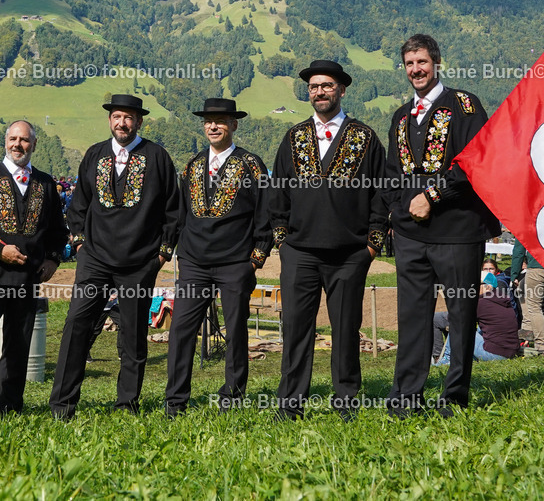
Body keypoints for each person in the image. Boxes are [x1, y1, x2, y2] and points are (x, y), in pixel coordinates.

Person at [384, 33, 500, 418]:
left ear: (436, 63)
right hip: (410, 235)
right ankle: (406, 398)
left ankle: (454, 398)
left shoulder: (465, 106)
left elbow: (474, 162)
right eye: (409, 64)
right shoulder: (401, 116)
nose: (416, 70)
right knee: (412, 317)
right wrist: (397, 211)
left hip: (458, 231)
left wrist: (431, 196)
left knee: (461, 315)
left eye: (422, 62)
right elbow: (392, 172)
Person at [269, 60, 388, 421]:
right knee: (296, 331)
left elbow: (381, 194)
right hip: (299, 253)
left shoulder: (365, 137)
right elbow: (278, 193)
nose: (319, 91)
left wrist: (372, 245)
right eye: (314, 86)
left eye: (327, 85)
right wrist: (282, 241)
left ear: (342, 90)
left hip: (350, 254)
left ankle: (346, 403)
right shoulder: (294, 137)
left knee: (346, 331)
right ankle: (290, 405)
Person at [50, 94, 181, 419]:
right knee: (76, 326)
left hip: (139, 263)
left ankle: (127, 406)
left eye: (128, 117)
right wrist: (80, 246)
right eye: (117, 117)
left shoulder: (157, 157)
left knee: (133, 335)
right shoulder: (94, 154)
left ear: (139, 121)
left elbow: (173, 210)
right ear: (110, 120)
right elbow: (78, 206)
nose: (122, 123)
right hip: (94, 259)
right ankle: (62, 406)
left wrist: (161, 256)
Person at [165, 98, 272, 418]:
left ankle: (233, 397)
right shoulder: (192, 165)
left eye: (220, 121)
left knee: (235, 331)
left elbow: (264, 213)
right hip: (194, 263)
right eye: (209, 121)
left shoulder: (252, 165)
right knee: (181, 330)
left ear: (233, 125)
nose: (213, 126)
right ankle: (175, 401)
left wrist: (255, 259)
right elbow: (181, 214)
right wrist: (180, 253)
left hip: (235, 263)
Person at [0, 120, 68, 418]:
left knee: (18, 346)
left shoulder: (46, 184)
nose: (18, 144)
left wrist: (53, 259)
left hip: (26, 279)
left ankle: (10, 409)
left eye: (24, 140)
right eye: (13, 139)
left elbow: (58, 230)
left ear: (34, 145)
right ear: (5, 141)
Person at [434, 281, 518, 365]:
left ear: (488, 287)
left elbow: (454, 317)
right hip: (510, 352)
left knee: (457, 326)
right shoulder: (502, 301)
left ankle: (448, 359)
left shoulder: (481, 303)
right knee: (476, 328)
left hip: (494, 354)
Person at [511, 241, 544, 357]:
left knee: (534, 308)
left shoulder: (525, 228)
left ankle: (541, 347)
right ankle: (527, 328)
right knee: (521, 288)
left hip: (537, 268)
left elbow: (519, 251)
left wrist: (514, 275)